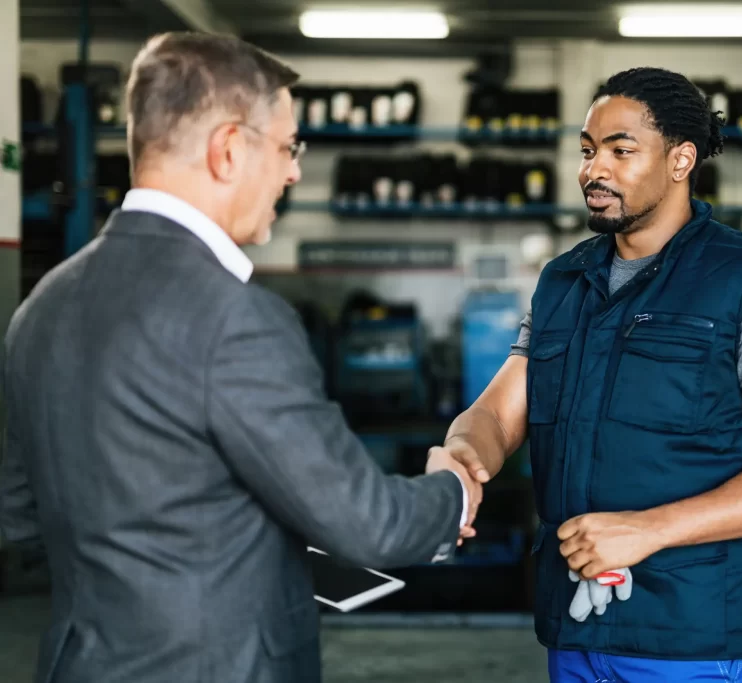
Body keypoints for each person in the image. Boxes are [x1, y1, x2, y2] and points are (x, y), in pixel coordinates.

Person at [0, 32, 480, 683]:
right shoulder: (237, 318)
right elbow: (369, 524)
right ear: (229, 149)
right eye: (287, 147)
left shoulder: (40, 308)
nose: (293, 171)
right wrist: (452, 489)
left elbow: (20, 514)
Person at [434, 67, 742, 682]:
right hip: (573, 622)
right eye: (587, 150)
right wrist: (461, 461)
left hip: (690, 638)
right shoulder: (563, 281)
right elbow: (499, 410)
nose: (593, 170)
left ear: (681, 160)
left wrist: (647, 531)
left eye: (620, 150)